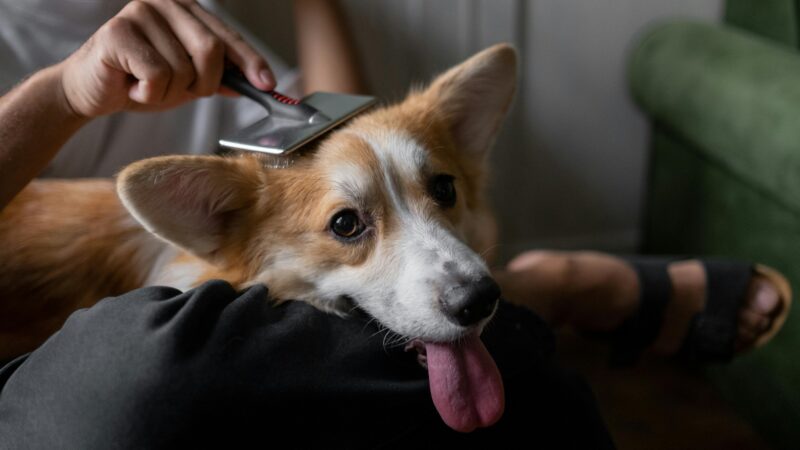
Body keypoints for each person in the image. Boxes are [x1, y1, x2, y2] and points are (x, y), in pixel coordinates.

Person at [0, 0, 790, 447]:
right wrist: (62, 95)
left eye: (444, 190)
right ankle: (544, 294)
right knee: (154, 385)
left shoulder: (195, 17)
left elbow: (348, 134)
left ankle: (536, 295)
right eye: (352, 225)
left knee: (510, 383)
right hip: (140, 318)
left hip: (266, 239)